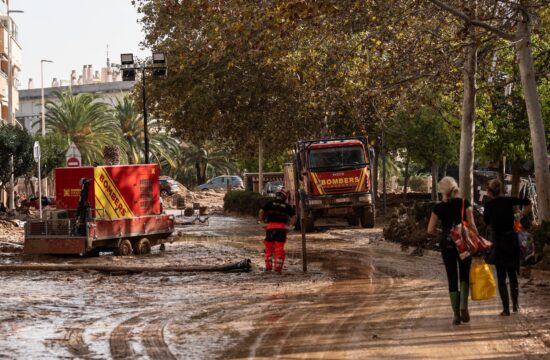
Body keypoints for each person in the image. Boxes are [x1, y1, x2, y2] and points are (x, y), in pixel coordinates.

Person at [427, 176, 480, 325]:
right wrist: (477, 239)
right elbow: (472, 225)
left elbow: (430, 230)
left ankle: (456, 315)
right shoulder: (465, 203)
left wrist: (443, 233)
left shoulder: (438, 207)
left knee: (452, 277)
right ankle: (464, 305)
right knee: (464, 274)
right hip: (463, 244)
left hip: (447, 245)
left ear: (442, 191)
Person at [483, 179, 531, 315]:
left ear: (489, 191)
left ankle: (506, 309)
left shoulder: (488, 205)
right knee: (512, 274)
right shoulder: (509, 200)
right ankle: (516, 305)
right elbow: (528, 202)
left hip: (498, 242)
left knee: (501, 277)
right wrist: (519, 215)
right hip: (511, 240)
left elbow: (487, 222)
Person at [258, 188, 296, 272]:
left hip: (270, 228)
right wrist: (290, 227)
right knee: (279, 249)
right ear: (285, 197)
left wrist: (261, 222)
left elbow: (261, 211)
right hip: (281, 229)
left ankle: (268, 268)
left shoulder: (270, 203)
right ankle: (278, 269)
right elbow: (294, 217)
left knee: (268, 249)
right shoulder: (287, 206)